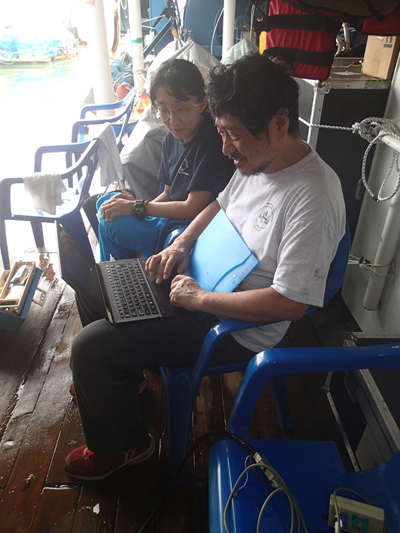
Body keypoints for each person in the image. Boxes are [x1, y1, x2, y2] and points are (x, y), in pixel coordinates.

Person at [64, 52, 346, 480]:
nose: (226, 148)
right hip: (197, 283)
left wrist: (200, 297)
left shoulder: (313, 196)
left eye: (233, 134)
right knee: (97, 282)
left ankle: (125, 446)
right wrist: (182, 243)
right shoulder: (255, 160)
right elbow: (219, 203)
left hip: (228, 325)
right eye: (220, 132)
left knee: (88, 349)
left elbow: (290, 303)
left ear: (279, 122)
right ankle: (126, 379)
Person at [94, 58, 235, 261]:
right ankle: (120, 268)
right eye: (163, 110)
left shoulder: (211, 141)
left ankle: (115, 269)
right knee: (106, 203)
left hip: (185, 228)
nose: (172, 120)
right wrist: (137, 207)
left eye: (182, 109)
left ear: (202, 102)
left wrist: (138, 207)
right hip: (168, 217)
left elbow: (191, 208)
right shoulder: (171, 138)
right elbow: (168, 193)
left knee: (110, 221)